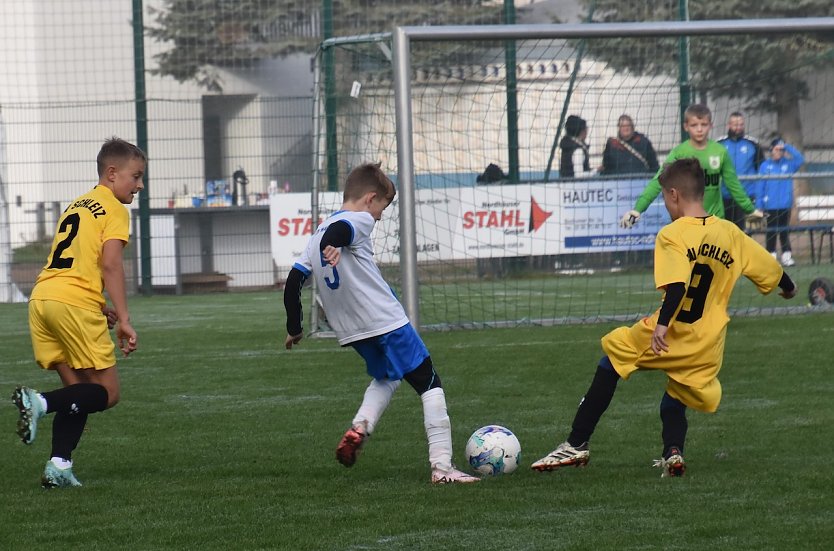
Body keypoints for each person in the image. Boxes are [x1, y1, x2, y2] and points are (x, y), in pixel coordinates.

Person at [532, 158, 796, 477]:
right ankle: (673, 452)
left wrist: (661, 324)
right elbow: (772, 270)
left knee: (612, 359)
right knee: (676, 393)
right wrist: (789, 289)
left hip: (671, 332)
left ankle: (575, 445)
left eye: (663, 198)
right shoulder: (731, 233)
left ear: (674, 194)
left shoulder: (672, 234)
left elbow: (677, 286)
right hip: (708, 344)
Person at [283, 162, 479, 485]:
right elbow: (341, 233)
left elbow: (293, 282)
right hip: (385, 320)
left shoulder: (317, 231)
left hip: (352, 331)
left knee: (388, 377)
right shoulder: (355, 220)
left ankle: (360, 427)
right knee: (430, 383)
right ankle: (443, 468)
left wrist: (295, 326)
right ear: (370, 199)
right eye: (382, 208)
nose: (380, 216)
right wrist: (332, 244)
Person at [12, 137, 144, 488]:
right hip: (71, 306)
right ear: (112, 173)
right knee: (108, 393)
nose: (140, 185)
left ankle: (59, 466)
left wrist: (100, 306)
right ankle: (37, 401)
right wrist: (125, 318)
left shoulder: (76, 205)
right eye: (136, 176)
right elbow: (111, 264)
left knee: (80, 395)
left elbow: (71, 264)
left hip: (43, 300)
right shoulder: (115, 209)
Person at [620, 104, 764, 229]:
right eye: (694, 125)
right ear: (686, 127)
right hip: (687, 222)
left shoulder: (720, 152)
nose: (699, 129)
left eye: (704, 125)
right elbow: (658, 181)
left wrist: (750, 209)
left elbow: (734, 185)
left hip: (715, 220)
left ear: (710, 125)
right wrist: (638, 209)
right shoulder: (679, 152)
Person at [758, 138, 805, 267]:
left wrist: (787, 146)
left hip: (785, 205)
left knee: (784, 231)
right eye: (777, 149)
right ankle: (771, 257)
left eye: (782, 149)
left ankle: (786, 256)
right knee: (771, 231)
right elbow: (760, 185)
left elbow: (801, 159)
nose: (780, 152)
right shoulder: (765, 166)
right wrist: (759, 205)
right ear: (771, 150)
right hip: (770, 206)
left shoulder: (789, 164)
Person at [717, 112, 765, 229]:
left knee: (746, 234)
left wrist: (760, 197)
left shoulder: (753, 144)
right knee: (726, 231)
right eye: (735, 124)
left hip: (747, 197)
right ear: (729, 125)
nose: (738, 127)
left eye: (741, 124)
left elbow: (762, 170)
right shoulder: (719, 144)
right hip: (725, 196)